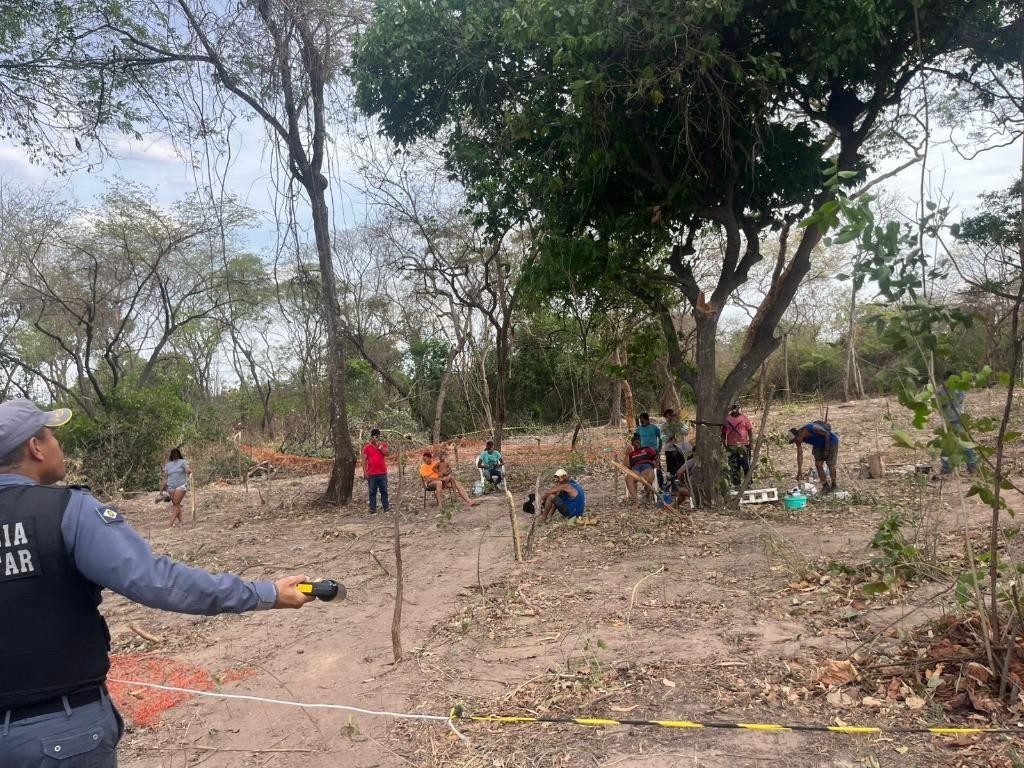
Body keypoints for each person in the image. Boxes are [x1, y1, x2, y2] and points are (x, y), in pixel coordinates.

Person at [0, 399, 316, 767]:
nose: (59, 445)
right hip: (61, 733)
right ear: (36, 448)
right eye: (52, 436)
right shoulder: (68, 510)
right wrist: (267, 593)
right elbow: (158, 581)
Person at [936, 377, 978, 475]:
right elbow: (938, 404)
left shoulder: (959, 388)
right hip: (947, 422)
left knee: (965, 445)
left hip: (958, 420)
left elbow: (958, 401)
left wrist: (948, 401)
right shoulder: (940, 390)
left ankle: (972, 466)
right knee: (946, 446)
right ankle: (946, 468)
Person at [789, 421, 840, 491]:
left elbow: (827, 434)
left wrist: (826, 449)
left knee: (830, 464)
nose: (796, 441)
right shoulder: (798, 440)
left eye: (795, 440)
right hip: (818, 445)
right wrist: (799, 471)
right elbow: (800, 454)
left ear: (799, 434)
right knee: (818, 464)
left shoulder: (811, 428)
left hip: (831, 442)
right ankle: (825, 486)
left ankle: (834, 485)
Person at [722, 402, 754, 488]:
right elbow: (723, 432)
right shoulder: (727, 419)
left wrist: (751, 442)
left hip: (743, 445)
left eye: (736, 408)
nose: (735, 410)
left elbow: (749, 430)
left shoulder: (744, 418)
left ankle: (748, 483)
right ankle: (737, 484)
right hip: (731, 446)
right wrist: (724, 443)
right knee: (734, 465)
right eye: (733, 407)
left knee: (746, 464)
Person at [361, 428, 390, 514]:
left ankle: (386, 507)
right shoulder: (367, 448)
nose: (376, 438)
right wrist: (365, 472)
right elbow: (364, 460)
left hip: (382, 473)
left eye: (377, 436)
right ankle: (372, 509)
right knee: (372, 492)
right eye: (374, 436)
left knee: (384, 491)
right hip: (372, 474)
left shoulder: (383, 444)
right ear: (371, 437)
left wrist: (380, 448)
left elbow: (387, 454)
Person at [160, 447, 191, 527]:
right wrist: (162, 488)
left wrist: (188, 470)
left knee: (176, 503)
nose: (175, 454)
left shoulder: (183, 462)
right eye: (173, 453)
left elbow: (187, 469)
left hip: (181, 485)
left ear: (179, 454)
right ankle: (181, 521)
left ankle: (170, 523)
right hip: (171, 486)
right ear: (171, 455)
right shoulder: (168, 465)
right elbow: (166, 478)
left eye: (176, 453)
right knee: (175, 504)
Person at [625, 433, 657, 504]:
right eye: (634, 443)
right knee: (628, 478)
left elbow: (656, 455)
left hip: (647, 465)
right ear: (632, 444)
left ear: (641, 442)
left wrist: (657, 465)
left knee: (647, 475)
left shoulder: (647, 449)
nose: (636, 444)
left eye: (638, 442)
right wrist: (627, 454)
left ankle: (647, 493)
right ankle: (636, 500)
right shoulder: (631, 453)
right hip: (635, 468)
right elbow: (627, 466)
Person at [635, 412, 663, 485]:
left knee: (656, 467)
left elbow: (661, 438)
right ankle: (647, 484)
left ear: (647, 419)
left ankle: (660, 484)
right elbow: (636, 440)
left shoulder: (654, 428)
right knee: (646, 468)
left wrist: (659, 449)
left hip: (653, 451)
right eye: (640, 420)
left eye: (642, 420)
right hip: (643, 452)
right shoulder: (639, 429)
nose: (641, 421)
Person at [662, 408, 691, 477]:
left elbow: (686, 431)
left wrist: (678, 427)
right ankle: (672, 480)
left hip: (679, 449)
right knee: (671, 469)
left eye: (670, 415)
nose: (668, 418)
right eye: (666, 416)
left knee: (680, 466)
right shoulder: (664, 426)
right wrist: (670, 436)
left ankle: (680, 480)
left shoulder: (679, 424)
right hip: (669, 449)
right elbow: (663, 438)